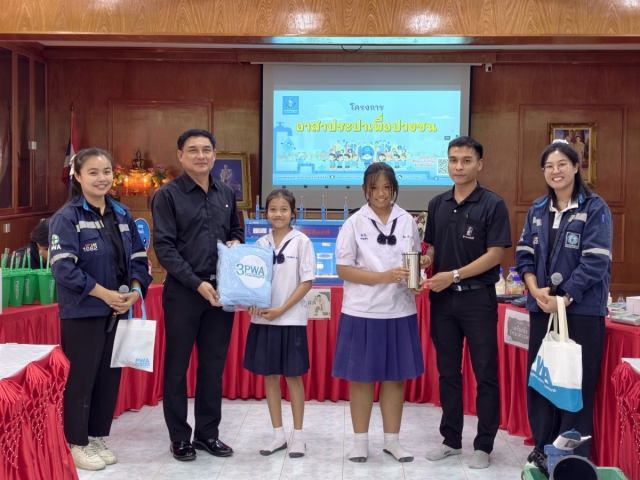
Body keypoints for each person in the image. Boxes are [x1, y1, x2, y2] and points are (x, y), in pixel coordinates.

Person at [49, 148, 152, 471]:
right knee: (82, 378)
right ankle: (76, 442)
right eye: (93, 172)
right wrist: (104, 294)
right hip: (83, 312)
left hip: (119, 310)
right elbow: (63, 269)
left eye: (106, 171)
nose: (101, 178)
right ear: (78, 177)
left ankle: (95, 436)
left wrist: (135, 291)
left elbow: (139, 259)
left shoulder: (121, 213)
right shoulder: (67, 217)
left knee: (107, 378)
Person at [516, 139, 612, 461]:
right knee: (542, 383)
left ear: (575, 167)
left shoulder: (594, 208)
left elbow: (596, 261)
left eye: (561, 165)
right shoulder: (537, 209)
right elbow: (524, 255)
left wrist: (564, 297)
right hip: (542, 308)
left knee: (574, 388)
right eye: (549, 166)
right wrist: (534, 290)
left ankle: (570, 460)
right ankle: (542, 450)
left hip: (581, 312)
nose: (555, 171)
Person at [152, 128, 243, 462]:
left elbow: (236, 229)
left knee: (212, 367)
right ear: (180, 155)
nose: (201, 155)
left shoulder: (226, 192)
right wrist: (196, 283)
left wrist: (236, 241)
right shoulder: (167, 195)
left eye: (206, 149)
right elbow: (164, 248)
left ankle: (207, 434)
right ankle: (179, 437)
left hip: (221, 292)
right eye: (193, 150)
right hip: (184, 292)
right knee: (177, 367)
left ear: (215, 155)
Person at [422, 136, 511, 469]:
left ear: (479, 164)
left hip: (477, 300)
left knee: (485, 373)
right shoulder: (437, 204)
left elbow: (495, 255)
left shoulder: (493, 204)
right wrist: (425, 261)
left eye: (466, 160)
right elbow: (433, 246)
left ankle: (483, 445)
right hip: (442, 301)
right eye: (453, 160)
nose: (458, 166)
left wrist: (454, 275)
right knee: (448, 373)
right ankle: (451, 440)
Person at [332, 163, 424, 463]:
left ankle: (392, 441)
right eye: (374, 188)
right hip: (362, 310)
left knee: (395, 379)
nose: (381, 193)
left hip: (400, 310)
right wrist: (384, 277)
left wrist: (416, 282)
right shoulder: (353, 223)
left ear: (394, 188)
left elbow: (414, 261)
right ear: (365, 189)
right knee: (361, 379)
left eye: (386, 187)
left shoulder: (407, 221)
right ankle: (360, 443)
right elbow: (343, 269)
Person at [243, 189, 315, 458]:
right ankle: (277, 435)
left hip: (291, 320)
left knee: (293, 377)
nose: (278, 214)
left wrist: (282, 310)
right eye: (273, 209)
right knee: (270, 377)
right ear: (266, 214)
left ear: (293, 213)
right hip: (263, 320)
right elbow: (251, 280)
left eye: (284, 209)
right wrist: (251, 302)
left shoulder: (302, 242)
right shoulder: (259, 244)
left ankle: (299, 437)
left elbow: (307, 282)